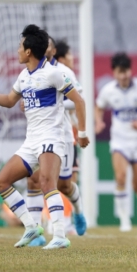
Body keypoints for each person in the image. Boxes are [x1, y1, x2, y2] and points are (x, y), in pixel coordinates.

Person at [0, 24, 89, 249]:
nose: (17, 50)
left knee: (47, 182)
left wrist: (82, 134)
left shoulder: (54, 74)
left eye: (19, 46)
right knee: (2, 181)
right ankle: (31, 227)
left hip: (52, 138)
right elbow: (9, 100)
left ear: (28, 52)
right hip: (31, 141)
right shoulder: (24, 76)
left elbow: (79, 101)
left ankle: (59, 235)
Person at [25, 36, 87, 247]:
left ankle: (78, 212)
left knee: (64, 185)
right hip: (38, 136)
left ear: (53, 50)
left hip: (62, 135)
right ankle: (35, 231)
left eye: (51, 44)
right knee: (34, 180)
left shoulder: (63, 72)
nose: (48, 47)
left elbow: (79, 98)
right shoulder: (29, 73)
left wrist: (54, 103)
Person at [95, 53, 137, 232]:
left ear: (131, 70)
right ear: (114, 72)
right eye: (120, 72)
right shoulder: (108, 91)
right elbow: (98, 107)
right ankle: (124, 219)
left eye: (126, 71)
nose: (124, 75)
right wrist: (98, 121)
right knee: (120, 177)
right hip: (120, 141)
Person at [53, 39, 80, 185]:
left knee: (69, 181)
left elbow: (78, 102)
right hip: (54, 135)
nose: (73, 57)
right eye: (69, 54)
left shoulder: (67, 74)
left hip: (69, 135)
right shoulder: (61, 73)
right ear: (61, 59)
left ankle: (76, 208)